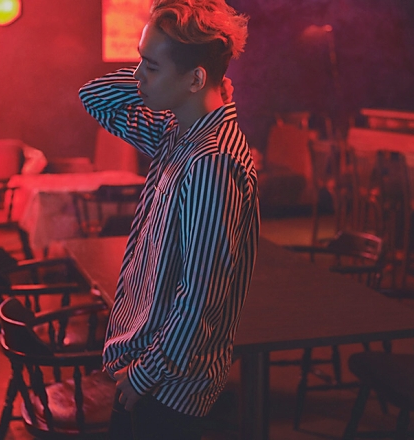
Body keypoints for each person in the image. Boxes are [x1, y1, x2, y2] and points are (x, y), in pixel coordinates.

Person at [78, 1, 259, 439]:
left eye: (151, 67)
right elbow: (94, 97)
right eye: (139, 61)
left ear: (195, 79)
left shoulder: (213, 161)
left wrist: (143, 375)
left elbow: (201, 298)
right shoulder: (176, 132)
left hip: (166, 388)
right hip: (147, 371)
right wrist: (156, 67)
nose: (139, 76)